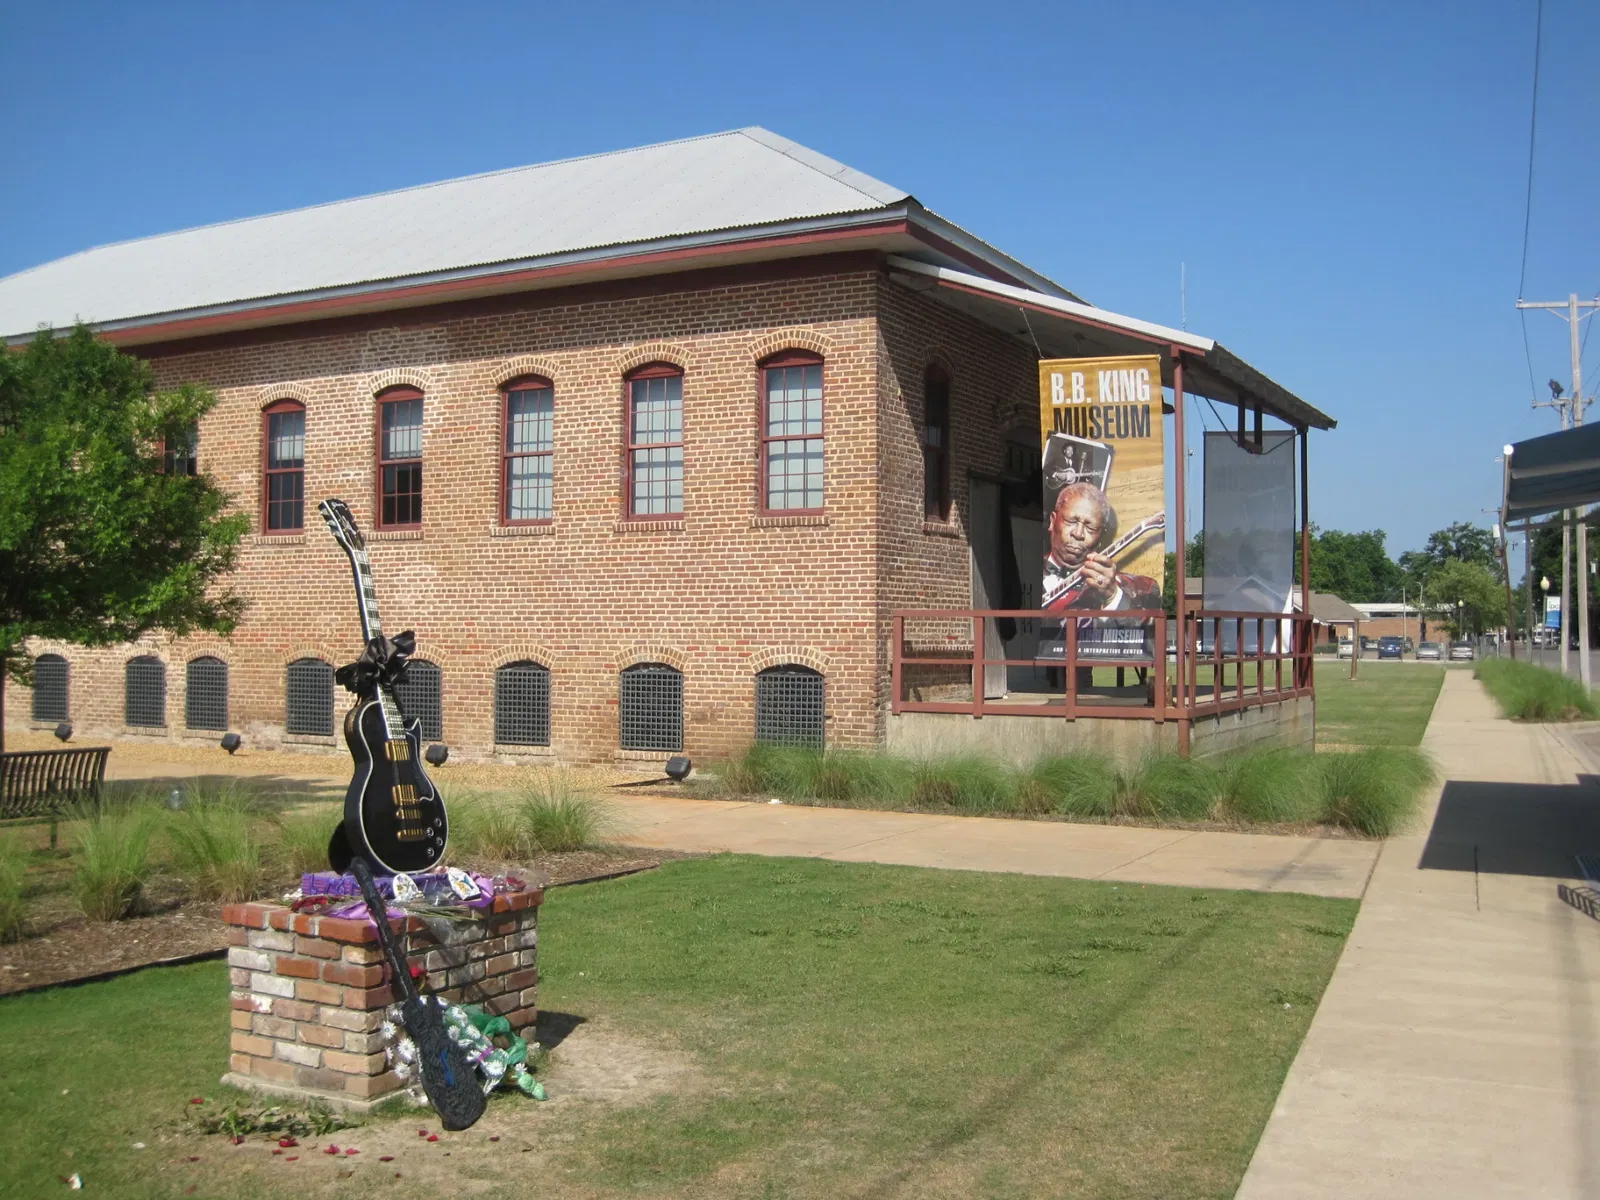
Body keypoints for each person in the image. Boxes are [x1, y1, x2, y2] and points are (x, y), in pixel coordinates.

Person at [1042, 482, 1161, 612]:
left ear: (1100, 537)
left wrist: (1112, 597)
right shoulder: (1025, 568)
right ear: (1053, 521)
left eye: (1090, 527)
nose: (1078, 534)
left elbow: (1146, 627)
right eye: (1071, 521)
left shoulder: (1142, 588)